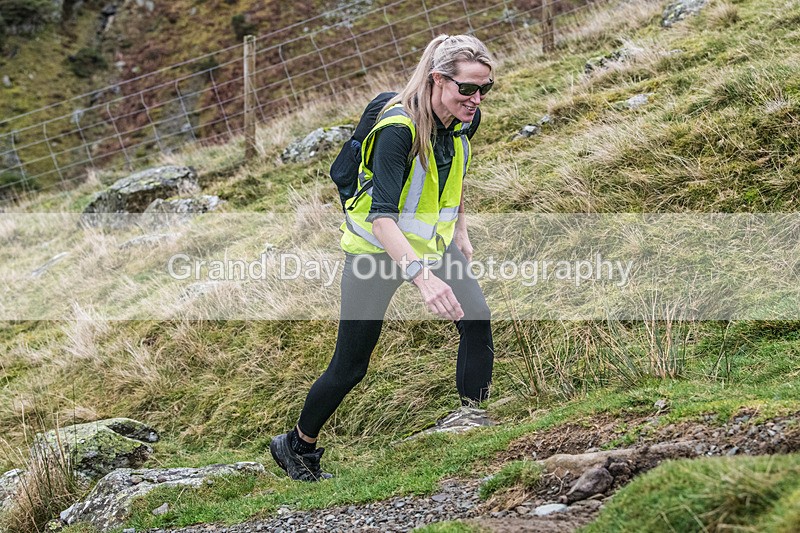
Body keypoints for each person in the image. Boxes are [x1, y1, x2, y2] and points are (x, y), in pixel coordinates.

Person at [270, 34, 496, 481]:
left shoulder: (466, 118)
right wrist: (423, 279)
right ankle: (297, 445)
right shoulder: (398, 130)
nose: (475, 99)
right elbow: (381, 219)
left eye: (484, 88)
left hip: (431, 244)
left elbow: (455, 170)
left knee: (477, 319)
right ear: (437, 80)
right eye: (466, 89)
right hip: (377, 254)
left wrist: (461, 231)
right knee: (351, 365)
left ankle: (473, 422)